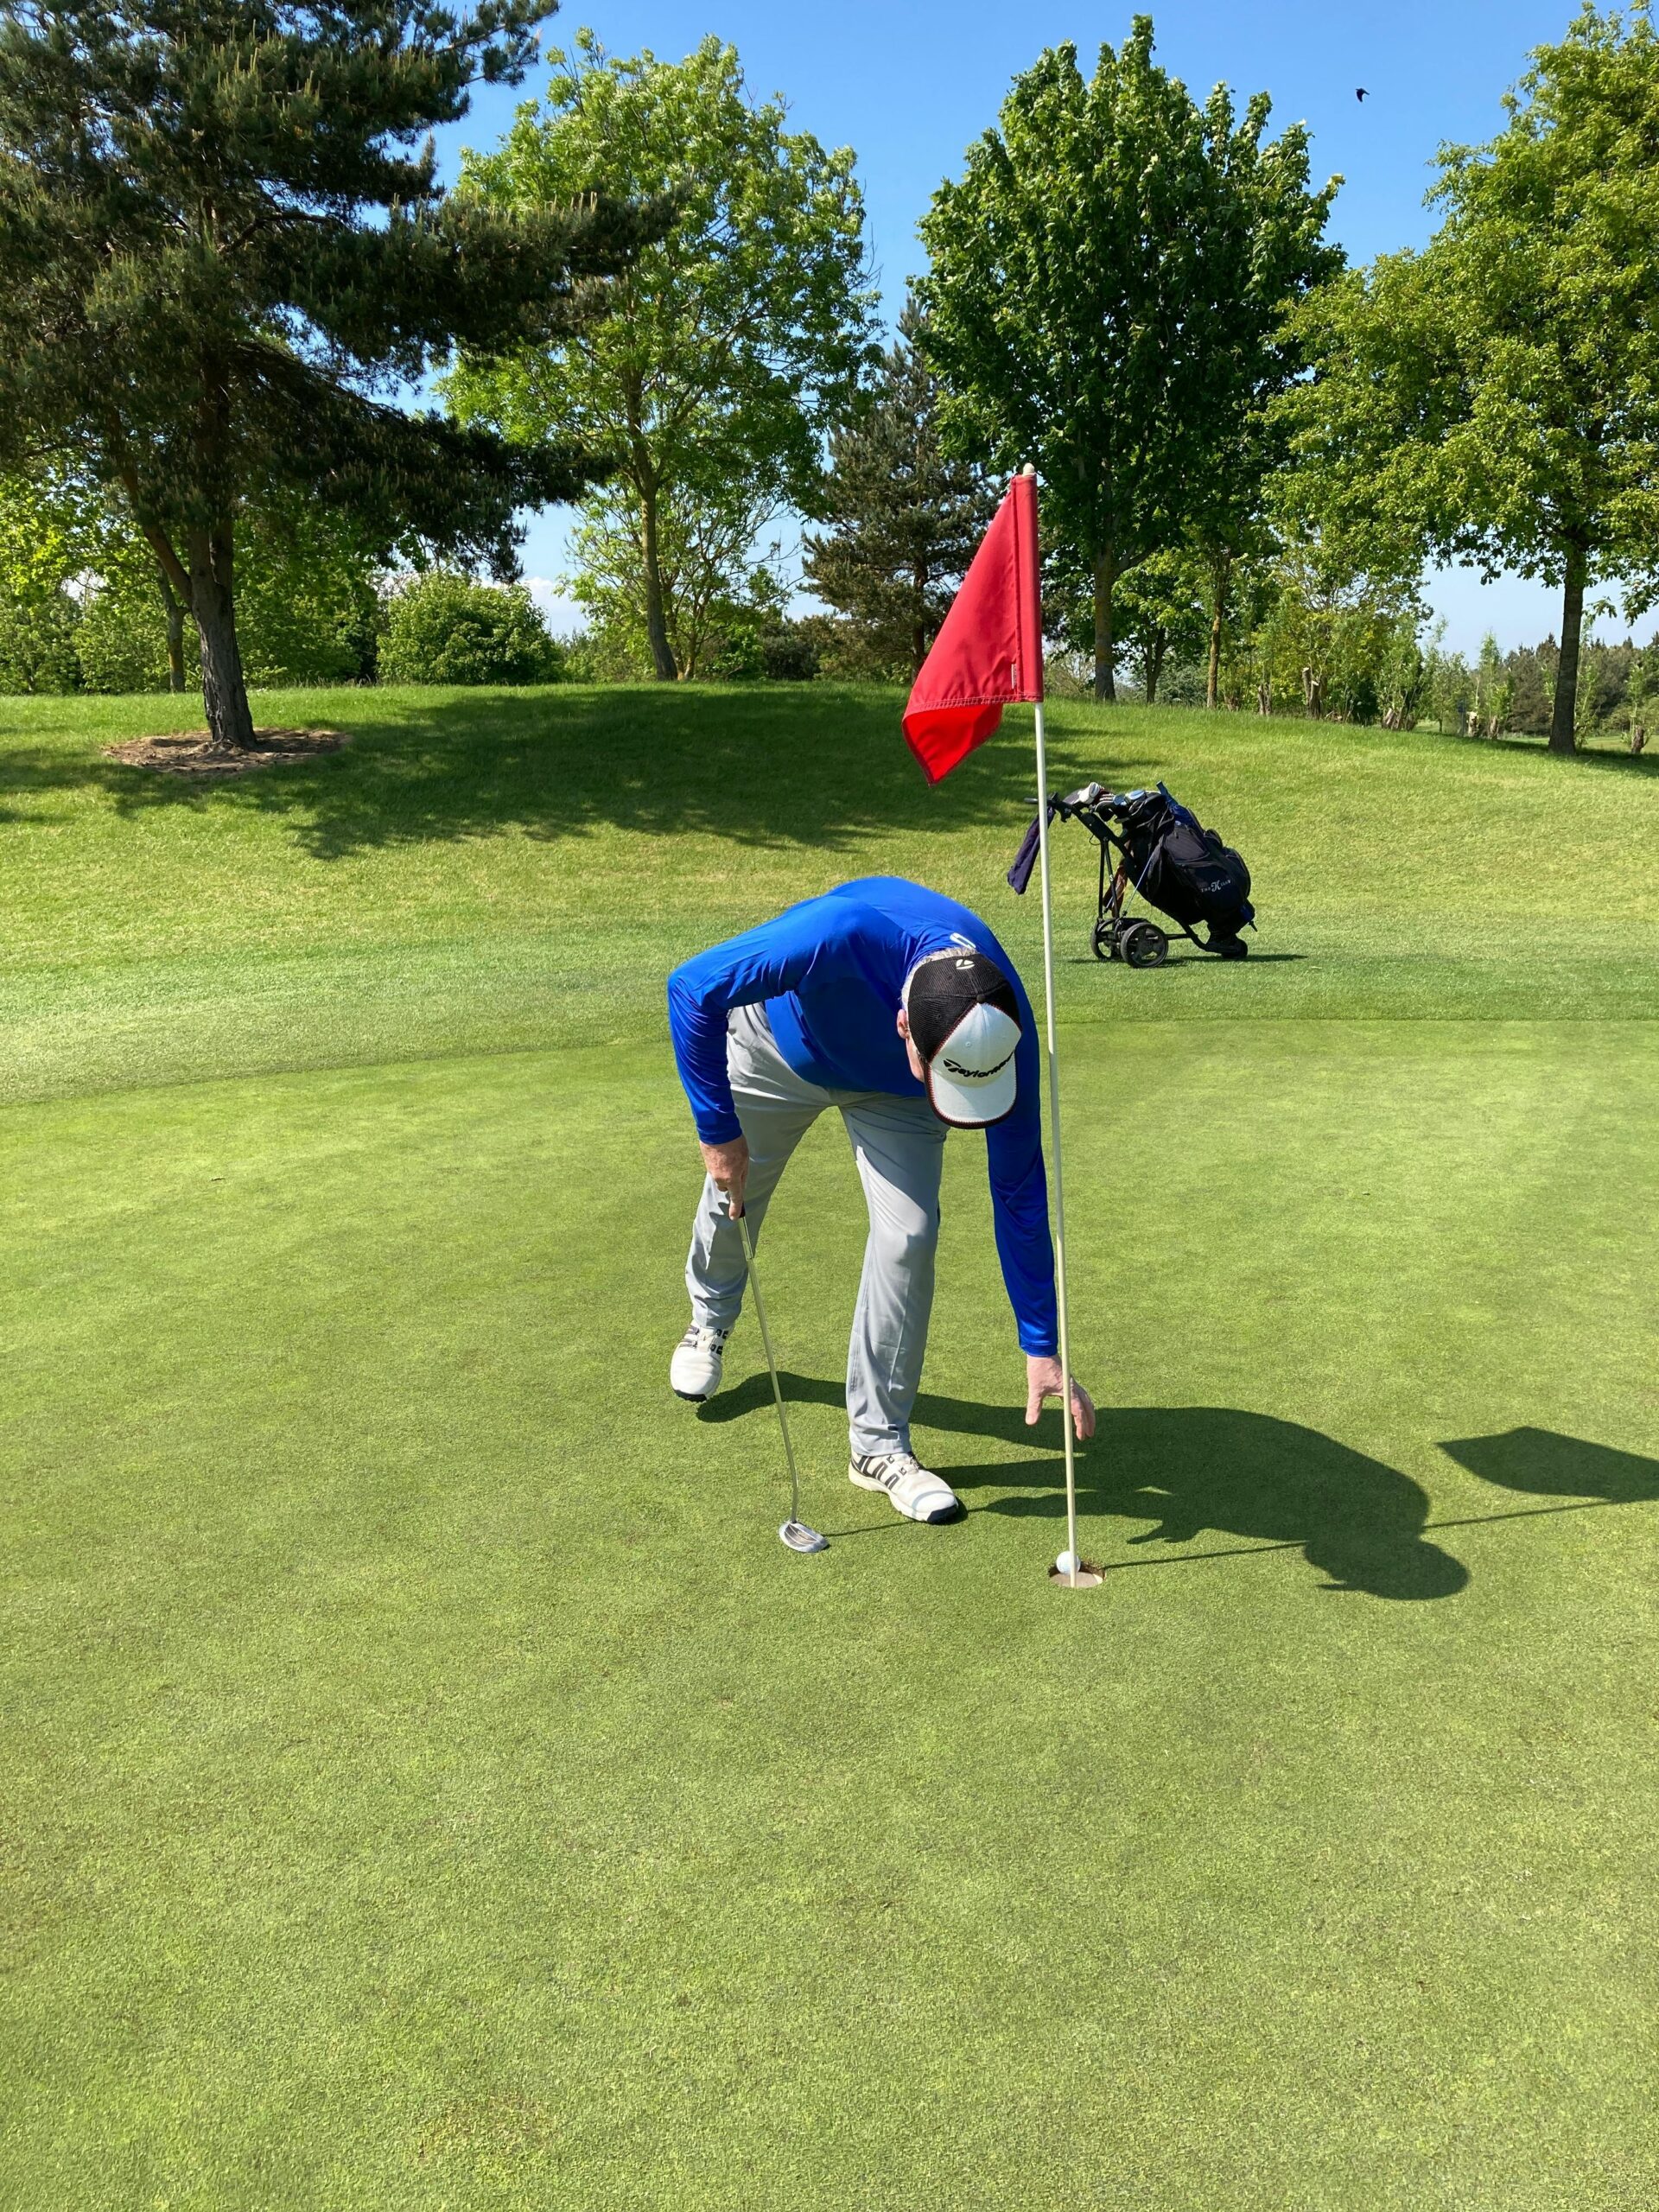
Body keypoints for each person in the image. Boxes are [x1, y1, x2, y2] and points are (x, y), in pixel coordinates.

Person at [665, 874, 1095, 1524]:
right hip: (781, 1048)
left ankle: (878, 1446)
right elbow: (692, 988)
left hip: (896, 1094)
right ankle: (710, 1319)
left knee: (910, 1236)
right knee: (735, 1185)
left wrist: (1041, 1345)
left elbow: (1018, 1189)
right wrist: (717, 1131)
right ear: (904, 1025)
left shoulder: (1001, 1031)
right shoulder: (835, 935)